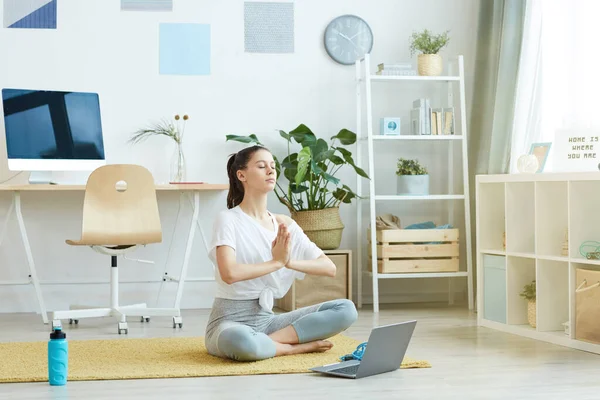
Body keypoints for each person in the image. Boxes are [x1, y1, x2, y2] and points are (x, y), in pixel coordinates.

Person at [205, 145, 358, 362]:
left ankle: (268, 343)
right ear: (242, 175)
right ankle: (291, 348)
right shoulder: (228, 219)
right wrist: (276, 262)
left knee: (346, 310)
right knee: (242, 341)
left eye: (273, 166)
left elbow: (328, 267)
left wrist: (288, 262)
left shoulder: (284, 224)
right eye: (261, 166)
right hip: (229, 324)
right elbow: (229, 273)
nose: (270, 171)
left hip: (269, 323)